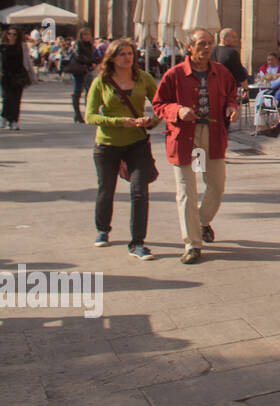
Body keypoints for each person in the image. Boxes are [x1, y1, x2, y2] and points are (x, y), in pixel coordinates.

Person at [153, 29, 239, 265]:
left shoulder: (220, 72)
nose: (206, 47)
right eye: (201, 43)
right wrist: (177, 111)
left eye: (209, 43)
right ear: (189, 47)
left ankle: (201, 221)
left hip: (212, 136)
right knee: (186, 191)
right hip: (184, 138)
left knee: (216, 185)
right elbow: (159, 104)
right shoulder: (174, 74)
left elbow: (232, 94)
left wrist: (231, 108)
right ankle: (192, 243)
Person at [86, 38, 160, 259]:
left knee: (140, 191)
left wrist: (151, 121)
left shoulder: (143, 78)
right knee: (106, 189)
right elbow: (90, 116)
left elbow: (160, 105)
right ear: (112, 58)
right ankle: (102, 229)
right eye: (122, 54)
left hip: (136, 142)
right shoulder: (101, 81)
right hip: (107, 144)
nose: (128, 58)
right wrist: (119, 122)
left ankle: (137, 242)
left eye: (130, 54)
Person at [0, 25, 36, 130]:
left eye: (14, 34)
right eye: (9, 34)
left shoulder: (22, 46)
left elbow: (27, 61)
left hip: (19, 75)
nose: (11, 36)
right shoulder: (2, 46)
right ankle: (4, 117)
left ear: (18, 36)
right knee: (6, 97)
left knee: (16, 99)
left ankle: (14, 121)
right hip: (5, 75)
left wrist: (33, 75)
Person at [69, 26, 98, 123]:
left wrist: (94, 62)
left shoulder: (90, 45)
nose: (87, 36)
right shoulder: (78, 44)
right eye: (84, 35)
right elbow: (78, 56)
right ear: (81, 36)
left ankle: (89, 113)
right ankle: (77, 114)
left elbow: (92, 56)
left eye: (88, 34)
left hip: (87, 70)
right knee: (78, 91)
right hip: (79, 70)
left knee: (89, 92)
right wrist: (90, 62)